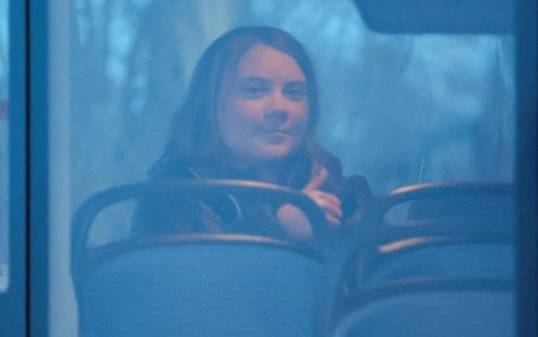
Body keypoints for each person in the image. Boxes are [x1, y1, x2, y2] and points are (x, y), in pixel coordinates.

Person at [131, 26, 372, 243]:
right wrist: (279, 228)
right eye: (255, 91)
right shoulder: (170, 194)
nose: (279, 108)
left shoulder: (343, 194)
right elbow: (170, 288)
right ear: (209, 105)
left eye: (294, 92)